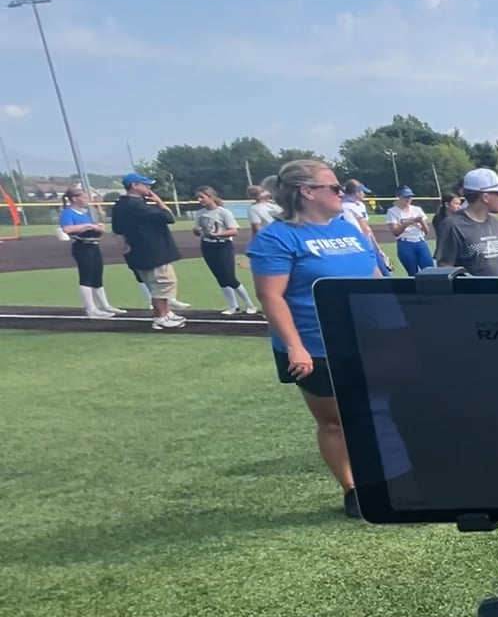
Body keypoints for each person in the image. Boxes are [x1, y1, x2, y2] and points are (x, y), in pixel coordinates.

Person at [245, 158, 386, 520]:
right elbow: (271, 297)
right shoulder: (277, 238)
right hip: (316, 344)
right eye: (335, 187)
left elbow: (373, 276)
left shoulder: (347, 228)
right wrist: (295, 346)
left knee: (378, 413)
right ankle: (353, 490)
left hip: (365, 339)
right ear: (307, 192)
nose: (342, 193)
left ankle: (388, 479)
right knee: (335, 421)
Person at [109, 173, 186, 330]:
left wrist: (125, 246)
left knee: (156, 286)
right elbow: (169, 217)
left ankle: (166, 313)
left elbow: (117, 231)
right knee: (162, 284)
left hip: (137, 252)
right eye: (145, 184)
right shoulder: (137, 206)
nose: (149, 188)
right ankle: (160, 317)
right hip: (153, 251)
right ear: (134, 186)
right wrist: (158, 201)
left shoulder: (119, 205)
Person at [192, 187, 258, 315]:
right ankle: (233, 306)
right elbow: (198, 230)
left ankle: (250, 304)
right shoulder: (199, 213)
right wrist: (197, 231)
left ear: (211, 197)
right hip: (207, 246)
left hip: (223, 245)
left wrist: (218, 234)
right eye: (198, 197)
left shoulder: (223, 212)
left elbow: (234, 230)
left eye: (202, 197)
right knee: (220, 278)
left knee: (229, 278)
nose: (199, 200)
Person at [59, 187, 123, 318]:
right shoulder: (68, 213)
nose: (87, 200)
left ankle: (104, 305)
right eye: (84, 197)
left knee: (97, 275)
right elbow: (67, 228)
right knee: (86, 277)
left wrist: (98, 228)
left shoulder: (84, 213)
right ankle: (91, 309)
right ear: (75, 199)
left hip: (93, 246)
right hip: (82, 247)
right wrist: (88, 226)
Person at [436, 169, 498, 275]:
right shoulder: (453, 225)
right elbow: (445, 266)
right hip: (472, 287)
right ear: (485, 197)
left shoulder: (495, 223)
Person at [384, 187, 433, 276]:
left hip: (420, 241)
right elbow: (395, 232)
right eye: (405, 197)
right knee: (412, 272)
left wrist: (421, 221)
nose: (408, 199)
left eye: (410, 197)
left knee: (429, 270)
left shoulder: (417, 209)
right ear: (399, 197)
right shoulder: (392, 211)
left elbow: (426, 231)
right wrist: (407, 223)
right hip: (405, 243)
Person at [339, 178, 385, 271]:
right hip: (358, 242)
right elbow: (361, 229)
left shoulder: (360, 205)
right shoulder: (346, 206)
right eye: (362, 192)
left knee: (383, 269)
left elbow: (367, 228)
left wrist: (377, 247)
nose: (364, 194)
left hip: (366, 241)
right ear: (357, 193)